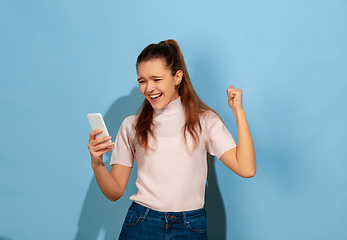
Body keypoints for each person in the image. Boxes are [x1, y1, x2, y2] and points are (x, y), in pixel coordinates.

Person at [87, 39, 256, 240]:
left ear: (177, 77)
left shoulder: (205, 121)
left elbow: (246, 168)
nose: (149, 88)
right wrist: (97, 163)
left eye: (156, 79)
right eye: (142, 81)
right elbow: (114, 192)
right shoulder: (132, 125)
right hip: (141, 222)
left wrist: (238, 111)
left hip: (190, 226)